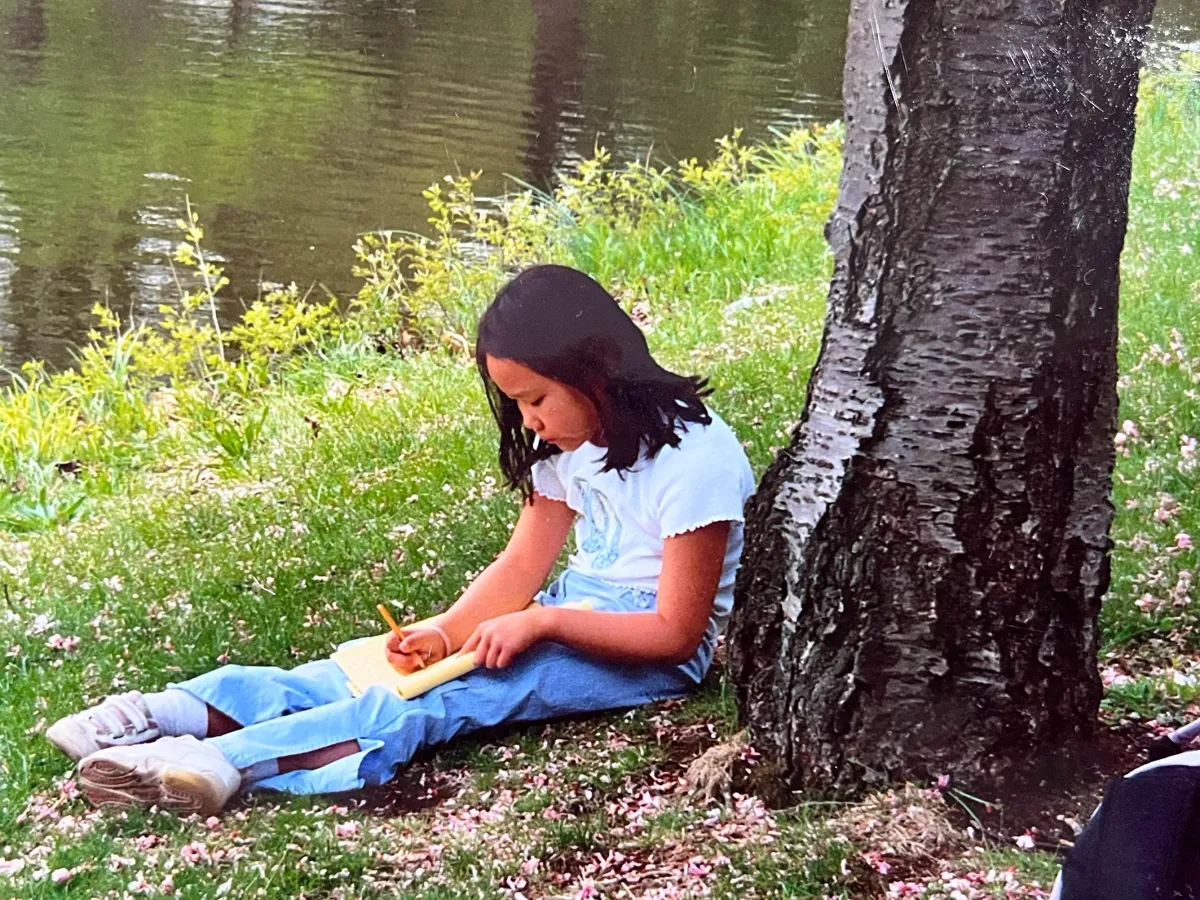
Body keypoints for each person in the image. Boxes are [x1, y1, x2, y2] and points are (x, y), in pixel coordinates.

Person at [44, 264, 757, 816]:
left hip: (645, 658)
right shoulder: (571, 444)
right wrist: (446, 632)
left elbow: (674, 635)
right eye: (516, 405)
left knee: (441, 702)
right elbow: (520, 566)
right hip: (573, 615)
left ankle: (222, 763)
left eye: (536, 399)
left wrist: (543, 622)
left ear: (594, 369)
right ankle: (161, 713)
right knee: (362, 672)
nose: (530, 421)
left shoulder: (695, 459)